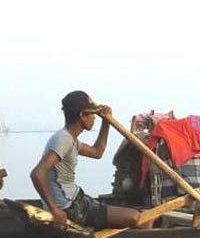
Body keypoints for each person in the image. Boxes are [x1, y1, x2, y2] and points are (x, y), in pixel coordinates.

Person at [30, 90, 145, 229]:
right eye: (92, 114)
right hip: (70, 208)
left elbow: (97, 152)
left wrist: (106, 123)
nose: (94, 118)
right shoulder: (64, 140)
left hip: (78, 200)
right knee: (138, 218)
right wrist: (54, 209)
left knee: (135, 213)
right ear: (82, 116)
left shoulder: (71, 139)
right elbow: (37, 173)